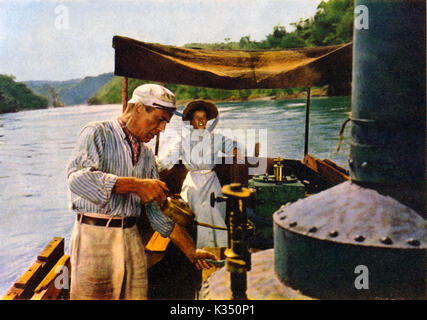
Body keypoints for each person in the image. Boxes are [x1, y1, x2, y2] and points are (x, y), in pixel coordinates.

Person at [66, 84, 216, 300]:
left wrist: (192, 251)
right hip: (94, 239)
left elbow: (157, 215)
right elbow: (77, 179)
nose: (162, 128)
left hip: (131, 238)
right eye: (160, 119)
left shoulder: (146, 156)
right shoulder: (97, 132)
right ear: (138, 108)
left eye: (166, 122)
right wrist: (136, 185)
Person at [158, 100, 243, 249]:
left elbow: (234, 146)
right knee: (195, 219)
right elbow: (167, 160)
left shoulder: (216, 138)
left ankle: (218, 250)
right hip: (193, 185)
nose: (201, 121)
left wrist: (236, 151)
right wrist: (155, 164)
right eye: (197, 117)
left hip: (211, 182)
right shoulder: (182, 140)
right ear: (191, 121)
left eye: (204, 117)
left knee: (215, 215)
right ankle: (197, 252)